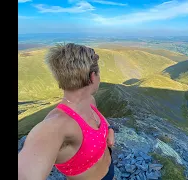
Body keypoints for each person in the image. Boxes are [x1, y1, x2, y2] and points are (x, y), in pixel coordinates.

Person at [18, 43, 115, 180]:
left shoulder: (90, 101)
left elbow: (99, 117)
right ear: (93, 76)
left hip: (110, 171)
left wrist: (109, 128)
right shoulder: (56, 125)